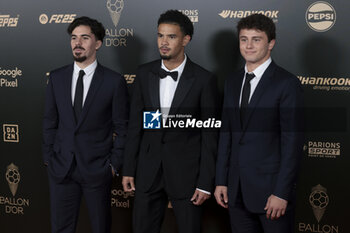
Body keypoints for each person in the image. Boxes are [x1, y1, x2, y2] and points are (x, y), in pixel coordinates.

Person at [122, 10, 219, 233]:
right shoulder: (144, 73)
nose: (163, 43)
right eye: (160, 36)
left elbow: (209, 135)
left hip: (187, 175)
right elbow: (137, 126)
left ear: (186, 39)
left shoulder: (204, 80)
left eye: (171, 37)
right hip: (148, 173)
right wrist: (129, 169)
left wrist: (205, 182)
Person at [214, 14, 304, 233]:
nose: (249, 45)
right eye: (244, 39)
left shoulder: (287, 83)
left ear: (271, 43)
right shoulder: (232, 81)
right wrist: (221, 181)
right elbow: (227, 134)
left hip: (271, 194)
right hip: (236, 192)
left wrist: (281, 192)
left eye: (256, 39)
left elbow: (292, 143)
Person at [42, 16, 129, 233]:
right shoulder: (56, 78)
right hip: (61, 169)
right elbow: (49, 122)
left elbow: (123, 128)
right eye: (73, 38)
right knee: (61, 228)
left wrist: (112, 166)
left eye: (84, 38)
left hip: (97, 170)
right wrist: (49, 158)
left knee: (101, 228)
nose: (77, 43)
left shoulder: (113, 81)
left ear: (97, 43)